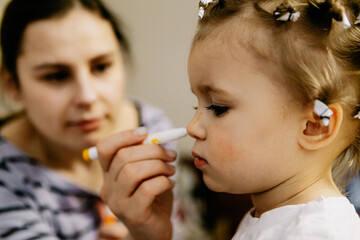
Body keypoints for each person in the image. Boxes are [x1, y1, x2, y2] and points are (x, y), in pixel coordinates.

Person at [98, 0, 360, 239]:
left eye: (218, 108)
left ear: (315, 125)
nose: (192, 127)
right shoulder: (264, 217)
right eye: (196, 104)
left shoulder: (319, 232)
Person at [0, 0, 177, 239]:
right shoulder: (6, 180)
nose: (87, 96)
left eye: (101, 66)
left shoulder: (151, 126)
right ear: (12, 85)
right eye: (56, 75)